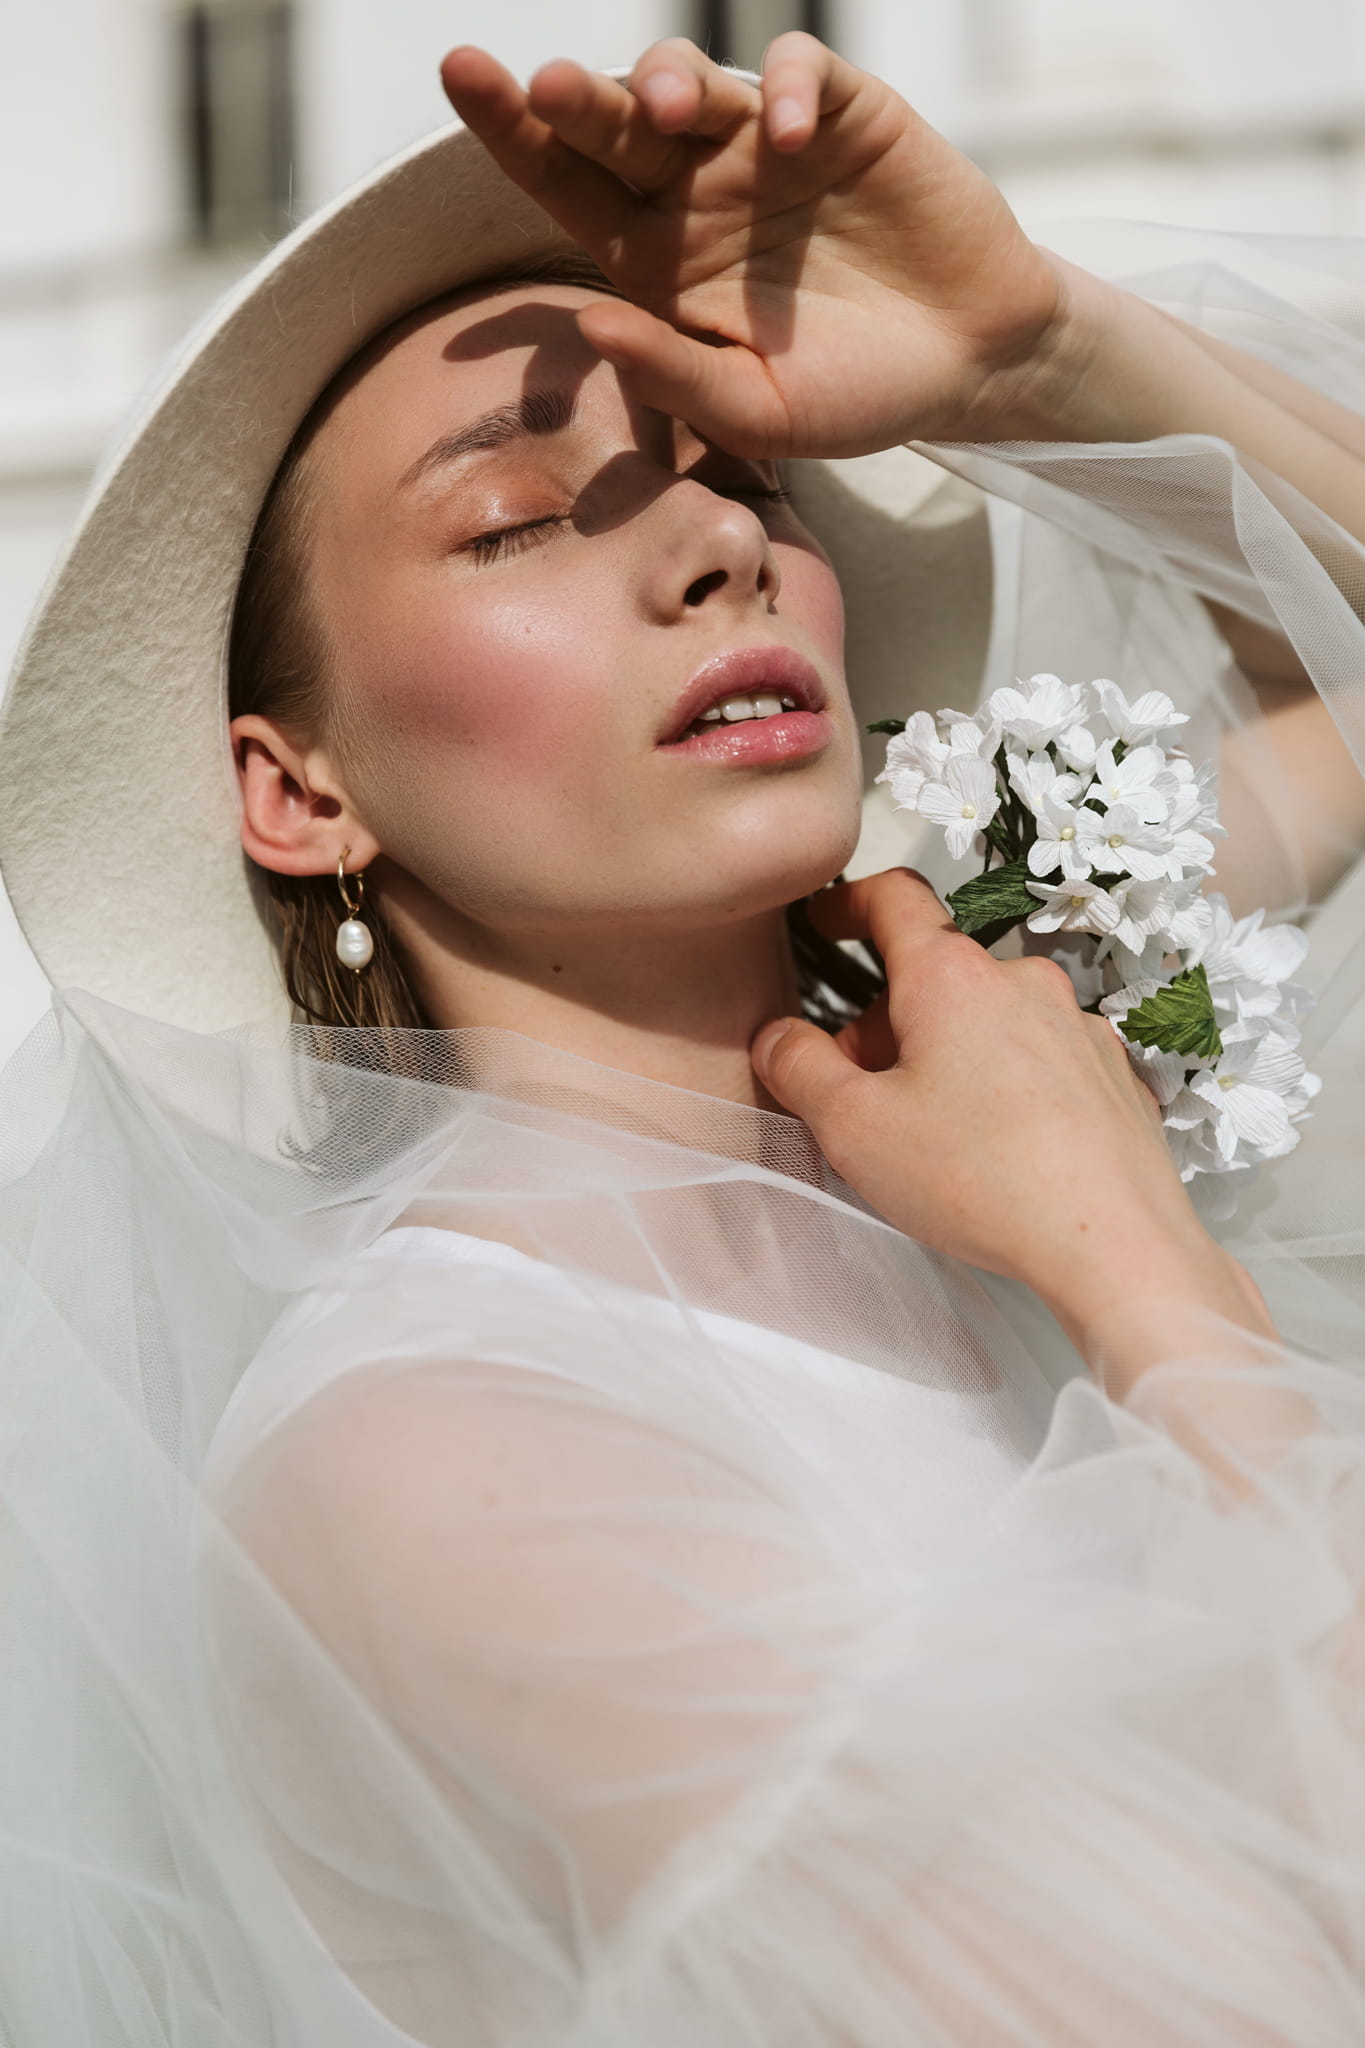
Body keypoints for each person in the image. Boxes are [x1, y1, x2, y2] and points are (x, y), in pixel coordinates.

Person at [2, 33, 1365, 2047]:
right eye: (511, 523)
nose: (717, 547)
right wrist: (1137, 1271)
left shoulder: (998, 1047)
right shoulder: (430, 1454)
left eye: (739, 477)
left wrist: (1032, 355)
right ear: (295, 794)